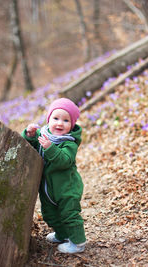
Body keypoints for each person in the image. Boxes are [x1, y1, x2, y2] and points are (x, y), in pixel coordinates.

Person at [22, 98, 86, 254]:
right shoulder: (44, 135)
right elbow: (30, 147)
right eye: (55, 118)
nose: (59, 123)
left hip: (67, 187)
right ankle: (62, 234)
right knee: (50, 214)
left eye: (65, 120)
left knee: (68, 213)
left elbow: (64, 161)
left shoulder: (69, 143)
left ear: (71, 125)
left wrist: (50, 148)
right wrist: (30, 135)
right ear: (48, 119)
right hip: (48, 188)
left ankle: (78, 242)